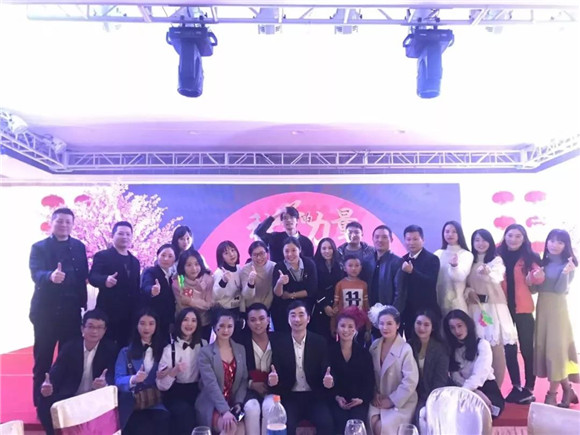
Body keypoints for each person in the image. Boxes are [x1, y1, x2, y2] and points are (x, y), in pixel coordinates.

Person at [29, 207, 89, 407]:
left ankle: (63, 399)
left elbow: (83, 275)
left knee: (68, 358)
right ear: (52, 222)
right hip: (46, 312)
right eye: (60, 221)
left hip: (71, 312)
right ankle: (40, 404)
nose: (64, 225)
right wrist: (50, 276)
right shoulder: (39, 247)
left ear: (73, 225)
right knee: (43, 359)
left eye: (68, 222)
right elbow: (36, 273)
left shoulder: (79, 246)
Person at [37, 309, 116, 435]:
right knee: (44, 401)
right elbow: (56, 372)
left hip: (95, 399)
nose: (94, 331)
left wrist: (105, 384)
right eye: (90, 326)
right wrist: (48, 387)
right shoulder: (70, 347)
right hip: (71, 397)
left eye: (99, 327)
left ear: (104, 330)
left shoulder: (110, 349)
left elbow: (113, 375)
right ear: (82, 328)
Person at [268, 300, 334, 435]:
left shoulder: (320, 342)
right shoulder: (279, 344)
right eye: (293, 315)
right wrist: (272, 381)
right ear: (288, 320)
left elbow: (326, 371)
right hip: (290, 396)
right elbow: (275, 373)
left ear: (308, 318)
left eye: (301, 315)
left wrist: (329, 382)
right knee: (287, 424)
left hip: (314, 396)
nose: (297, 319)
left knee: (326, 422)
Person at [498, 223, 544, 404]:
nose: (513, 239)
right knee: (509, 348)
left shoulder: (530, 256)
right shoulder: (497, 254)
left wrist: (536, 276)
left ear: (524, 238)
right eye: (510, 235)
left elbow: (538, 279)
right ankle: (516, 385)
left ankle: (529, 386)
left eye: (518, 236)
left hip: (523, 309)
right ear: (505, 236)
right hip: (503, 309)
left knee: (527, 348)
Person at [465, 229, 517, 388]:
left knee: (496, 348)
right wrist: (468, 291)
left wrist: (488, 272)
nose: (480, 244)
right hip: (474, 308)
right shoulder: (469, 260)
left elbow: (497, 277)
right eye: (477, 240)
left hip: (493, 308)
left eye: (484, 240)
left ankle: (498, 389)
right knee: (479, 348)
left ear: (490, 242)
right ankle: (481, 388)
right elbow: (464, 283)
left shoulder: (496, 261)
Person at [534, 229, 579, 407]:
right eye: (552, 240)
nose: (554, 245)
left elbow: (560, 290)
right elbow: (535, 289)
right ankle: (568, 390)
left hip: (558, 312)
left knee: (555, 353)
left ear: (566, 245)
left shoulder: (569, 265)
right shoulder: (542, 262)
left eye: (560, 242)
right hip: (542, 310)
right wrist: (532, 278)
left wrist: (566, 273)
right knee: (550, 352)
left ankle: (551, 394)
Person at [115, 308, 170, 435]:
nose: (147, 328)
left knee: (163, 420)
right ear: (136, 325)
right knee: (141, 427)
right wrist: (133, 379)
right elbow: (118, 380)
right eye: (142, 323)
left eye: (151, 323)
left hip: (156, 401)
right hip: (134, 403)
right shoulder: (125, 352)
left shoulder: (165, 349)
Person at [444, 309, 505, 418]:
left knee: (477, 413)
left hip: (486, 389)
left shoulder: (482, 344)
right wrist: (474, 392)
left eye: (460, 326)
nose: (457, 331)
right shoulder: (452, 349)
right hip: (464, 390)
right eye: (452, 328)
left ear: (467, 325)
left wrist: (467, 392)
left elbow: (480, 374)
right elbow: (455, 376)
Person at [195, 309, 247, 435]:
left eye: (229, 326)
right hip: (212, 404)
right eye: (222, 326)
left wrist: (238, 403)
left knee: (241, 429)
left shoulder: (240, 349)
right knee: (230, 427)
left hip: (232, 403)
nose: (226, 330)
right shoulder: (205, 352)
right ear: (214, 327)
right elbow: (210, 384)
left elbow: (243, 379)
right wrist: (224, 411)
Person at [89, 221, 141, 349]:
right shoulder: (103, 256)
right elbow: (93, 277)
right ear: (113, 235)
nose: (125, 237)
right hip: (109, 312)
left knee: (124, 349)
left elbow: (136, 287)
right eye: (121, 233)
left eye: (128, 234)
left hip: (129, 315)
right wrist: (105, 280)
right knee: (106, 348)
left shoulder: (135, 261)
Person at [368, 306, 418, 435]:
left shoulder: (405, 349)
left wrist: (391, 400)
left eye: (389, 323)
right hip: (379, 398)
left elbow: (410, 381)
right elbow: (369, 374)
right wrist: (374, 393)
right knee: (371, 421)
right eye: (382, 323)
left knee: (382, 427)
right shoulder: (374, 346)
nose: (385, 327)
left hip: (401, 401)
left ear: (398, 325)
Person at [156, 308, 207, 435]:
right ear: (179, 323)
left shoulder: (204, 345)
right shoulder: (169, 349)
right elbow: (161, 385)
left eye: (193, 320)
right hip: (175, 393)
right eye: (185, 320)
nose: (189, 324)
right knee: (184, 413)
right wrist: (174, 371)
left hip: (198, 391)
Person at [328, 307, 374, 434]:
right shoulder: (329, 352)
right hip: (336, 400)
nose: (346, 330)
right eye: (342, 326)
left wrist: (362, 399)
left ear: (356, 329)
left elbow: (370, 381)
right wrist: (336, 397)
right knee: (339, 421)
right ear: (337, 328)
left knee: (356, 423)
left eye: (350, 326)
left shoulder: (364, 354)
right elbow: (325, 380)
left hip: (358, 401)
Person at [407, 309, 449, 423]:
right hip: (412, 395)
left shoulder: (440, 349)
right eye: (418, 323)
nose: (421, 328)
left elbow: (440, 380)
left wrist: (430, 400)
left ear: (433, 327)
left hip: (434, 394)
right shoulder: (408, 346)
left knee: (423, 417)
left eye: (426, 325)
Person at [400, 224, 441, 340]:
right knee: (411, 342)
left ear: (423, 240)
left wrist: (412, 271)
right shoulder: (403, 259)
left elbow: (431, 282)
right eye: (408, 239)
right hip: (408, 312)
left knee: (429, 343)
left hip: (426, 310)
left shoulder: (432, 259)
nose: (411, 243)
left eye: (415, 239)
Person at [241, 303, 277, 435]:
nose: (258, 323)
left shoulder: (279, 340)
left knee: (270, 406)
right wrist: (251, 384)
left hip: (273, 388)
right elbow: (237, 373)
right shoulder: (241, 343)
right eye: (253, 320)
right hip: (249, 388)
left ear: (268, 319)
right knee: (252, 408)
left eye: (262, 319)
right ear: (247, 322)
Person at [271, 238, 318, 333]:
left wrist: (290, 295)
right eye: (286, 251)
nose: (290, 254)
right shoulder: (279, 267)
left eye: (293, 250)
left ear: (299, 250)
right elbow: (278, 294)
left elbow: (311, 290)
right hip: (284, 312)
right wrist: (280, 283)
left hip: (306, 309)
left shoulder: (309, 264)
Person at [361, 225, 405, 321]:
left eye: (384, 237)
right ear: (372, 239)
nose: (380, 240)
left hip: (388, 315)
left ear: (391, 239)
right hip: (369, 312)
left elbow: (400, 294)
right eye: (377, 237)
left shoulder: (398, 262)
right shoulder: (366, 261)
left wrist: (393, 315)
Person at [434, 220, 473, 317]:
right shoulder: (438, 254)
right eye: (447, 231)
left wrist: (454, 266)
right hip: (438, 302)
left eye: (454, 231)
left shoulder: (466, 254)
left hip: (456, 303)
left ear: (459, 234)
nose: (450, 234)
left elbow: (459, 277)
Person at [173, 249, 214, 341]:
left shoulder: (208, 279)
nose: (194, 268)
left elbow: (208, 305)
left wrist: (191, 301)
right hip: (184, 324)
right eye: (189, 265)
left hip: (204, 323)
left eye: (196, 264)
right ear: (182, 266)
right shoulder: (180, 281)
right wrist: (200, 300)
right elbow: (183, 305)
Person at [141, 244, 177, 343]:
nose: (166, 259)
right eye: (163, 255)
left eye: (170, 256)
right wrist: (152, 290)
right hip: (154, 320)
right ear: (157, 256)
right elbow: (146, 285)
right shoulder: (150, 272)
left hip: (169, 321)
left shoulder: (174, 276)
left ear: (174, 260)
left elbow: (183, 288)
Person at [332, 255, 371, 344]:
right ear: (344, 268)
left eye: (357, 265)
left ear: (361, 267)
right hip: (344, 322)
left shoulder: (363, 284)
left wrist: (368, 328)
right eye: (350, 265)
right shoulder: (340, 284)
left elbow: (366, 306)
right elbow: (335, 306)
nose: (354, 268)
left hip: (360, 323)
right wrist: (333, 325)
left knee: (359, 345)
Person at [312, 238, 344, 340]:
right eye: (324, 248)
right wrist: (325, 305)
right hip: (320, 306)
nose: (327, 251)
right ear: (319, 250)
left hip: (336, 305)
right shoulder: (314, 265)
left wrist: (337, 305)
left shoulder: (340, 265)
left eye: (330, 248)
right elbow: (314, 287)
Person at [239, 241, 276, 310]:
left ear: (267, 253)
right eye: (255, 255)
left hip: (270, 307)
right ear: (250, 256)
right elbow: (247, 296)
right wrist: (251, 282)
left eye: (262, 253)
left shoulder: (274, 266)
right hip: (251, 308)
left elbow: (273, 292)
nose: (259, 258)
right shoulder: (246, 269)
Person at [213, 241, 246, 316]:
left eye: (233, 250)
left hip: (238, 309)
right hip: (224, 311)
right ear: (221, 257)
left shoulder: (239, 268)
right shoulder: (219, 273)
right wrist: (223, 281)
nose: (231, 254)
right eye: (226, 253)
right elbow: (216, 296)